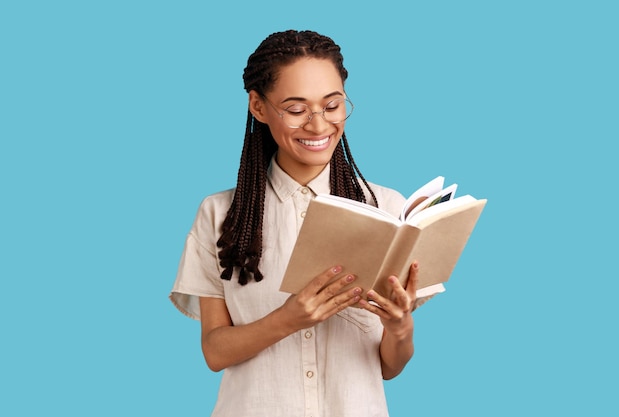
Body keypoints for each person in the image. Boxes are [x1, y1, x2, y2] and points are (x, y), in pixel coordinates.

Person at [169, 29, 444, 417]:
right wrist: (289, 319)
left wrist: (400, 328)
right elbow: (214, 352)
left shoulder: (388, 207)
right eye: (296, 110)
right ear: (258, 106)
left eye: (332, 105)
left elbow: (388, 367)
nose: (318, 126)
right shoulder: (220, 214)